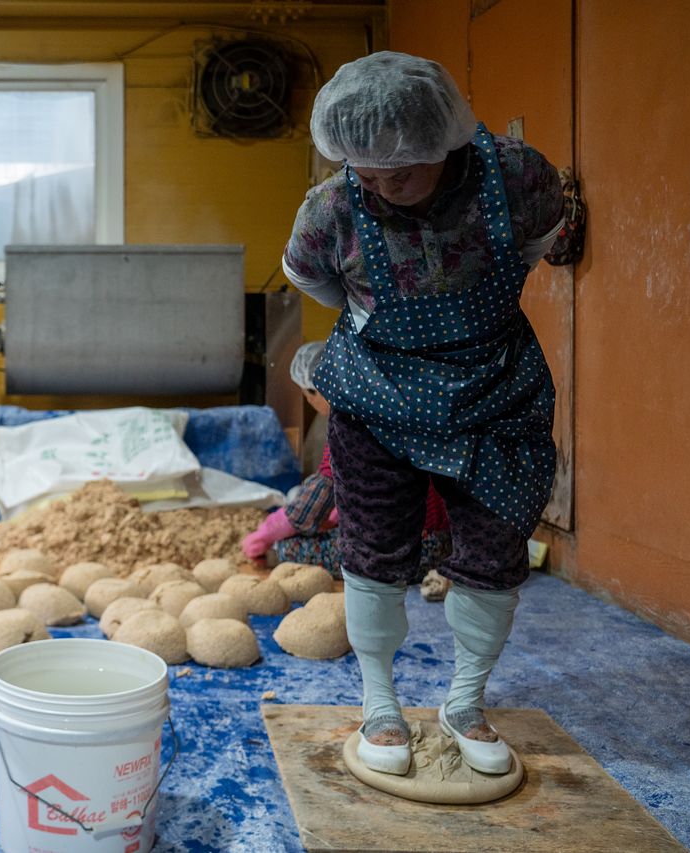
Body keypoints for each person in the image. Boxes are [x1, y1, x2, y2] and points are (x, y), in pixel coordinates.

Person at [282, 53, 564, 777]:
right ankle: (380, 702)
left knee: (495, 551)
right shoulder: (333, 208)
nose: (376, 188)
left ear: (444, 144)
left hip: (496, 393)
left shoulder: (519, 179)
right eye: (362, 173)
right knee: (374, 549)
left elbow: (534, 245)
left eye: (397, 174)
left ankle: (465, 701)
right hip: (379, 394)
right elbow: (315, 281)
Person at [241, 342, 451, 582]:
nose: (310, 402)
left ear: (321, 388)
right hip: (445, 540)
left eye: (308, 394)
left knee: (287, 547)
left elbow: (310, 507)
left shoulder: (349, 425)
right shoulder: (394, 405)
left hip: (412, 549)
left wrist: (269, 532)